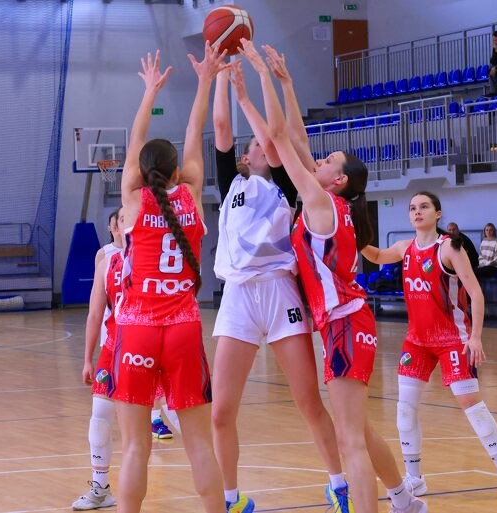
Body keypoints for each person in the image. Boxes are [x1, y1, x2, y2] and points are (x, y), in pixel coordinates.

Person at [240, 39, 427, 513]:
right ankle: (404, 499)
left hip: (344, 322)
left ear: (337, 180)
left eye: (326, 163)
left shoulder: (321, 202)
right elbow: (297, 142)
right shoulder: (334, 204)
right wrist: (285, 83)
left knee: (350, 440)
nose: (318, 161)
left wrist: (258, 77)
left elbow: (280, 139)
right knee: (358, 429)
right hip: (346, 320)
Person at [210, 60, 352, 513]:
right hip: (238, 296)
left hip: (279, 292)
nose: (259, 145)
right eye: (252, 144)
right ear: (244, 158)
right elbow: (221, 126)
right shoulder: (231, 182)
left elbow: (276, 136)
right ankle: (231, 499)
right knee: (220, 411)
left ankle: (339, 486)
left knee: (308, 401)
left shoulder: (289, 187)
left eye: (262, 142)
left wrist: (249, 94)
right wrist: (221, 75)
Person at [110, 46, 228, 513]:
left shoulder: (133, 200)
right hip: (182, 329)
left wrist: (149, 92)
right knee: (199, 444)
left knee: (135, 447)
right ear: (178, 170)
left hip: (136, 329)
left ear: (140, 172)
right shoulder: (192, 196)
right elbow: (194, 134)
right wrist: (205, 80)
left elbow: (136, 141)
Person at [361, 192, 497, 501]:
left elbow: (476, 293)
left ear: (438, 213)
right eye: (412, 208)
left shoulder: (449, 248)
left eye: (424, 207)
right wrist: (350, 231)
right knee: (404, 410)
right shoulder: (404, 248)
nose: (417, 212)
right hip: (417, 340)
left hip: (453, 339)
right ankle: (415, 478)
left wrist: (475, 336)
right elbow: (375, 256)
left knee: (474, 408)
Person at [72, 208, 125, 511]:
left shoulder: (157, 254)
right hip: (113, 346)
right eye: (120, 221)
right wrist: (87, 359)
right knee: (100, 420)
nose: (124, 225)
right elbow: (94, 314)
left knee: (178, 416)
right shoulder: (106, 259)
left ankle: (223, 484)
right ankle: (100, 487)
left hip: (152, 346)